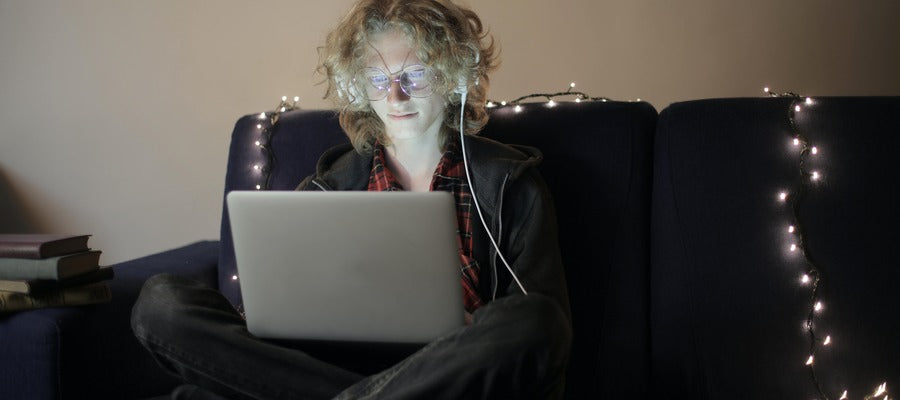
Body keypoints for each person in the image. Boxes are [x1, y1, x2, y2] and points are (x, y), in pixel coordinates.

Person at [131, 1, 571, 399]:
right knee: (161, 303)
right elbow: (273, 313)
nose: (395, 97)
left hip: (445, 376)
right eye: (378, 80)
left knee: (536, 321)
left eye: (413, 76)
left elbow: (540, 335)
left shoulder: (510, 184)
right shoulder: (327, 187)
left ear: (453, 75)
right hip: (325, 363)